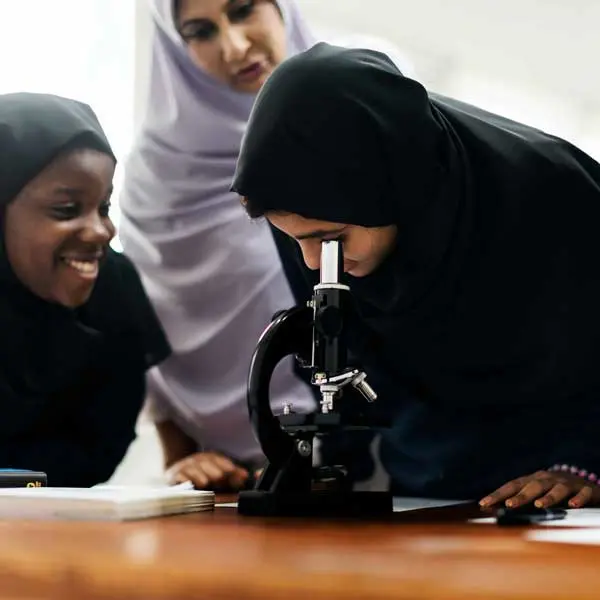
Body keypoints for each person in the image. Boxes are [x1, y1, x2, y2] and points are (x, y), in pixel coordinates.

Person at [232, 42, 600, 509]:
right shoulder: (314, 219)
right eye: (291, 238)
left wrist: (585, 463)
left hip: (570, 497)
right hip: (436, 491)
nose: (310, 262)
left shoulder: (558, 199)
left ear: (398, 185)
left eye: (329, 238)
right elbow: (348, 363)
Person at [118, 0, 411, 491]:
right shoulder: (154, 181)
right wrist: (181, 465)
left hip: (384, 462)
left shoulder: (361, 126)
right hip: (228, 483)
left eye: (243, 10)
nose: (234, 46)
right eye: (200, 31)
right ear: (172, 46)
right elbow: (158, 339)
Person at [0, 92, 171, 487]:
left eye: (105, 207)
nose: (100, 231)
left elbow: (101, 444)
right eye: (66, 209)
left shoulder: (114, 289)